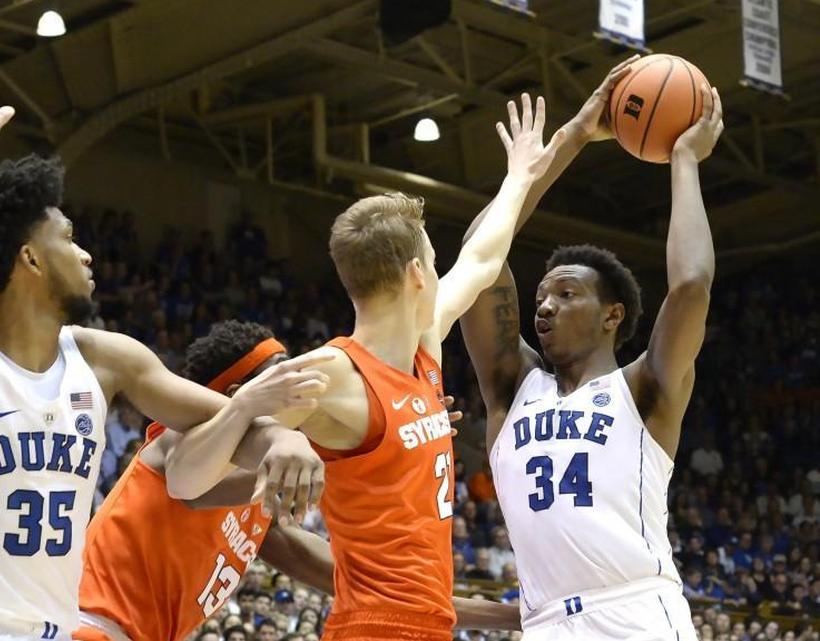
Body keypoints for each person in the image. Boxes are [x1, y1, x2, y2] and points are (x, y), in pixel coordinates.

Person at [0, 35, 324, 641]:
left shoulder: (106, 358)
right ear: (30, 259)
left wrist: (279, 438)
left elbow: (227, 422)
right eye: (68, 237)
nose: (86, 252)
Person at [168, 95, 560, 640]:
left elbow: (484, 259)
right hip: (373, 626)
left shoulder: (423, 347)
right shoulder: (330, 374)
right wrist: (247, 407)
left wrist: (521, 175)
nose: (443, 272)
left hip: (428, 625)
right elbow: (185, 480)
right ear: (418, 274)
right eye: (434, 261)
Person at [458, 59, 724, 640]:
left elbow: (692, 285)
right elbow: (480, 254)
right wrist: (573, 135)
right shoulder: (511, 386)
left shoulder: (645, 387)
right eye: (541, 295)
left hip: (636, 612)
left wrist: (683, 159)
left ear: (612, 316)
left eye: (566, 293)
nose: (544, 306)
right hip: (545, 622)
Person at [76, 321, 519, 641]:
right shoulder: (177, 442)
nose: (310, 383)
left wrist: (512, 617)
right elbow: (187, 482)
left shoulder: (262, 507)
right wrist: (399, 434)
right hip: (88, 624)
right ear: (238, 395)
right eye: (288, 374)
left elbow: (376, 588)